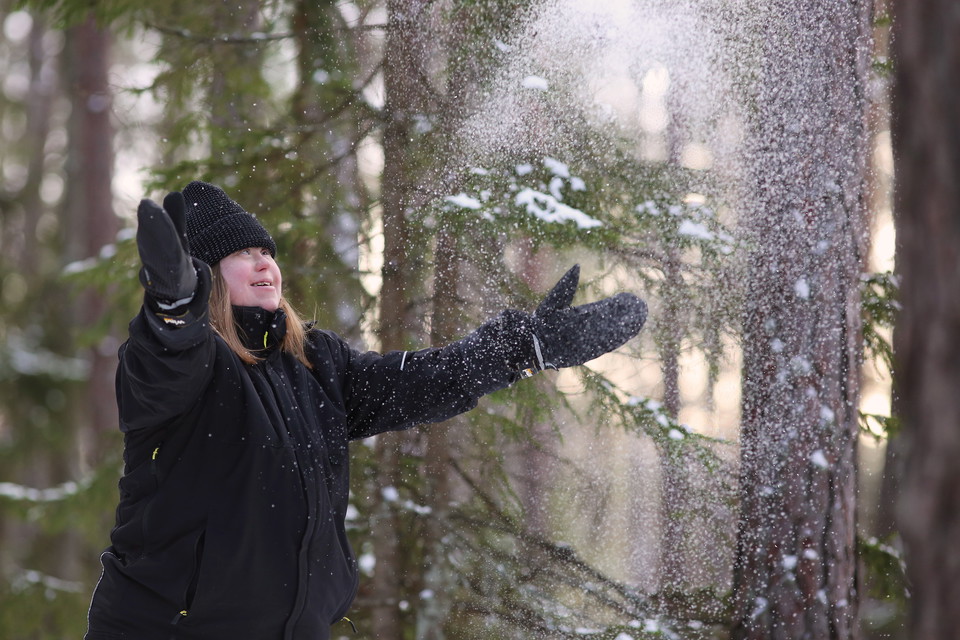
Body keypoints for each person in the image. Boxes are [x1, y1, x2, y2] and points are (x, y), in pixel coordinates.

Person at [84, 181, 647, 640]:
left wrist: (520, 347)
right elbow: (167, 357)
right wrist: (175, 306)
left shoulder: (314, 364)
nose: (263, 264)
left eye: (266, 252)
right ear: (205, 276)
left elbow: (417, 382)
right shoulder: (186, 366)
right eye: (239, 254)